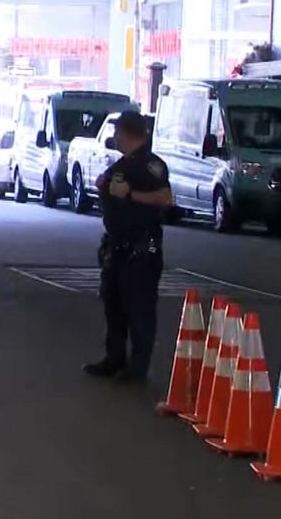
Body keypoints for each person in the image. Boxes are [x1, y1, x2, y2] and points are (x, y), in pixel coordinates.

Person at [83, 111, 172, 383]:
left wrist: (131, 194)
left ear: (125, 132)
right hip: (118, 246)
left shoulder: (151, 165)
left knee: (140, 310)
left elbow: (165, 197)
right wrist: (104, 183)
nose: (114, 138)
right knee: (114, 305)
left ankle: (137, 369)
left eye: (117, 132)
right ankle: (114, 359)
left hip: (141, 249)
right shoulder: (124, 163)